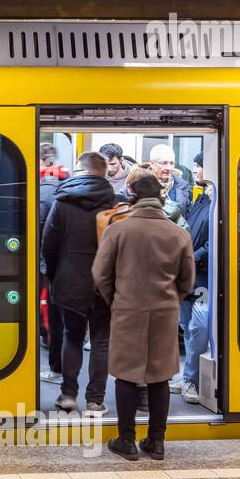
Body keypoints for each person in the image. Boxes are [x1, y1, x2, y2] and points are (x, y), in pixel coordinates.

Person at [93, 173, 195, 461]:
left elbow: (101, 275)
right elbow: (187, 281)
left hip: (128, 309)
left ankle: (126, 440)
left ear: (132, 194)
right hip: (164, 312)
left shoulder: (118, 231)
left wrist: (117, 298)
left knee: (126, 375)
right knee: (159, 376)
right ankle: (156, 442)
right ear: (160, 196)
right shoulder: (179, 234)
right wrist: (171, 299)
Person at [41, 151, 116, 414]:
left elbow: (48, 243)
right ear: (104, 173)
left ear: (79, 169)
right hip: (105, 283)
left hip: (70, 278)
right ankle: (95, 400)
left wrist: (53, 273)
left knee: (72, 337)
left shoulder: (61, 202)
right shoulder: (116, 202)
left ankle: (68, 395)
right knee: (101, 341)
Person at [178, 154, 213, 404]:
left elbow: (214, 242)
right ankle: (189, 375)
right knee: (186, 326)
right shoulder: (199, 199)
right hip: (186, 276)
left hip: (204, 277)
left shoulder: (217, 204)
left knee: (198, 328)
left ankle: (191, 379)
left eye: (199, 166)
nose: (195, 169)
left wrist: (193, 256)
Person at [148, 144, 192, 213]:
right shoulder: (138, 185)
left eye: (172, 163)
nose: (169, 168)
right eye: (164, 163)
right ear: (152, 164)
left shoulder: (184, 187)